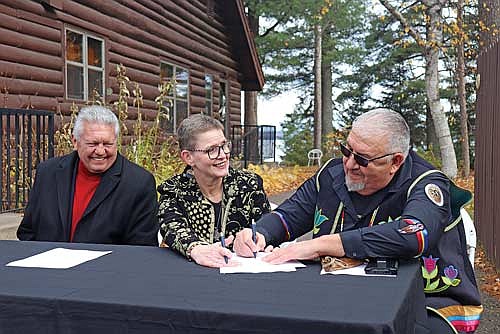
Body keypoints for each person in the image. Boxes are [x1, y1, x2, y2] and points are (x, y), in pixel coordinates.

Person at [234, 109, 482, 334]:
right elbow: (289, 215)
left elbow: (413, 234)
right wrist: (260, 234)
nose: (349, 164)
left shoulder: (426, 183)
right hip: (340, 295)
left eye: (363, 159)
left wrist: (324, 244)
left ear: (395, 161)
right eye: (346, 151)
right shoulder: (331, 174)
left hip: (428, 302)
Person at [17, 105, 158, 245]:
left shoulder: (139, 183)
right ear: (75, 142)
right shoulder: (47, 173)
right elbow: (28, 231)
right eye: (93, 143)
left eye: (108, 144)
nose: (101, 151)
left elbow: (142, 248)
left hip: (106, 267)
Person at [157, 114, 271, 268]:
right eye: (212, 150)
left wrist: (263, 241)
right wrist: (196, 249)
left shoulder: (249, 184)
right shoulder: (172, 191)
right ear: (188, 157)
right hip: (195, 274)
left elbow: (266, 226)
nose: (223, 155)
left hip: (243, 272)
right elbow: (172, 227)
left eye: (224, 145)